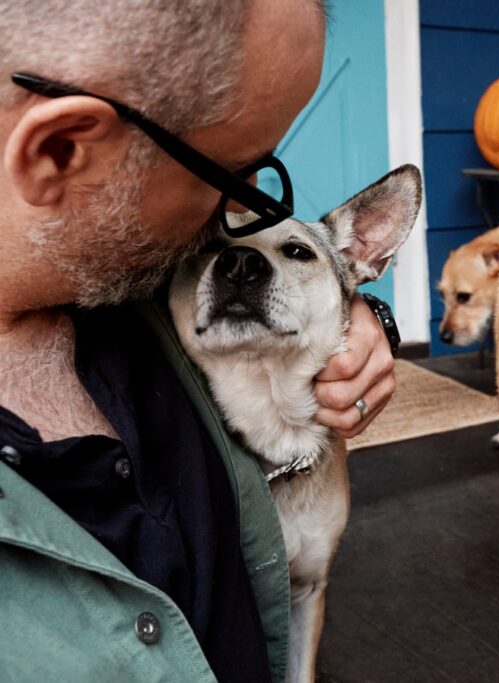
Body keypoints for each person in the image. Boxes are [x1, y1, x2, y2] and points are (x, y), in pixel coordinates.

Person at [0, 1, 397, 680]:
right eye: (229, 173)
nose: (241, 214)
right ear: (61, 149)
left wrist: (361, 320)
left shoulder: (133, 282)